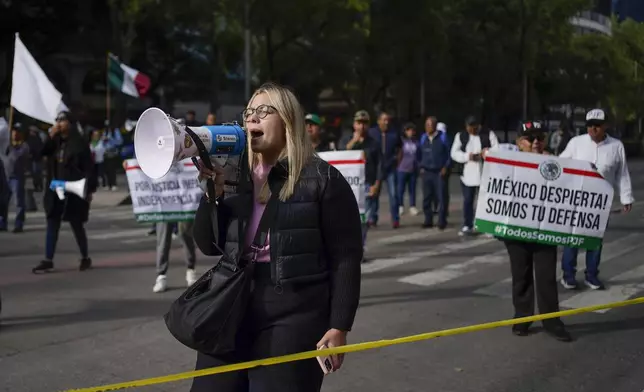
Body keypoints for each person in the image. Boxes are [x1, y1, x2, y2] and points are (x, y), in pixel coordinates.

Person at [190, 82, 363, 392]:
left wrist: (339, 327)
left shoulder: (324, 180)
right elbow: (206, 245)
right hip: (233, 304)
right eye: (249, 112)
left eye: (263, 111)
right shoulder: (233, 177)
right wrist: (212, 196)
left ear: (288, 121)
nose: (252, 118)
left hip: (295, 313)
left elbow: (346, 257)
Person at [502, 120, 572, 342]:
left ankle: (552, 321)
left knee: (546, 277)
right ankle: (522, 318)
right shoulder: (508, 160)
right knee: (520, 276)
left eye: (539, 138)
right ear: (518, 142)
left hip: (545, 230)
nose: (535, 143)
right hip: (516, 229)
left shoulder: (554, 164)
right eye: (529, 138)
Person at [558, 109, 633, 290]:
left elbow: (621, 173)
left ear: (605, 126)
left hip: (601, 202)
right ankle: (568, 275)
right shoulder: (576, 143)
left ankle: (592, 275)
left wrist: (626, 197)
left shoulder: (616, 146)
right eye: (590, 126)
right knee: (572, 238)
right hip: (576, 199)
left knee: (595, 240)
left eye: (597, 126)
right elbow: (561, 164)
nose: (593, 129)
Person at [32, 111, 97, 273]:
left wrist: (89, 189)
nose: (59, 123)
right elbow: (40, 153)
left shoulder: (79, 143)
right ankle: (48, 259)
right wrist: (50, 137)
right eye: (57, 120)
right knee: (52, 222)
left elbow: (89, 168)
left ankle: (85, 257)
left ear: (70, 123)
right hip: (55, 189)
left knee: (76, 224)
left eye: (62, 120)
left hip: (73, 189)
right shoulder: (55, 142)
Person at [342, 110, 383, 255]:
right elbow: (340, 156)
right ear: (354, 125)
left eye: (365, 123)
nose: (362, 127)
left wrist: (377, 184)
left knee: (364, 220)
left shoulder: (374, 143)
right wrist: (353, 142)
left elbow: (379, 164)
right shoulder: (346, 140)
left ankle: (360, 246)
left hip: (367, 184)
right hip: (349, 185)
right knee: (347, 220)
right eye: (359, 123)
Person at [450, 115, 499, 236]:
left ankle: (487, 226)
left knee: (486, 201)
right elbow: (454, 153)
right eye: (469, 127)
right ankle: (468, 225)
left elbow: (497, 149)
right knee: (468, 201)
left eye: (474, 127)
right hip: (467, 174)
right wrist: (468, 156)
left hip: (485, 173)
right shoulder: (461, 136)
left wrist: (486, 153)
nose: (471, 130)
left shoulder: (488, 134)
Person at [419, 116, 450, 229]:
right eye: (426, 125)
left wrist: (446, 166)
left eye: (430, 125)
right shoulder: (423, 138)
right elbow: (419, 153)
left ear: (435, 126)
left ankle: (442, 220)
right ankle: (428, 219)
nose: (428, 127)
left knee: (441, 196)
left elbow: (448, 153)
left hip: (439, 172)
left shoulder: (442, 137)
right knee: (427, 197)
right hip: (427, 171)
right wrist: (420, 166)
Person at [152, 220, 197, 293]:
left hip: (182, 209)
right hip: (164, 209)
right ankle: (161, 276)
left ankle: (191, 269)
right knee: (163, 237)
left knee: (186, 233)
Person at [397, 122, 420, 217]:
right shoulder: (401, 141)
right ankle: (400, 205)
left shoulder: (416, 142)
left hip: (413, 169)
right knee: (400, 189)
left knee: (412, 189)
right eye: (408, 130)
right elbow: (398, 153)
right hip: (402, 168)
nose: (410, 132)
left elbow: (418, 155)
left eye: (412, 130)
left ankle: (412, 206)